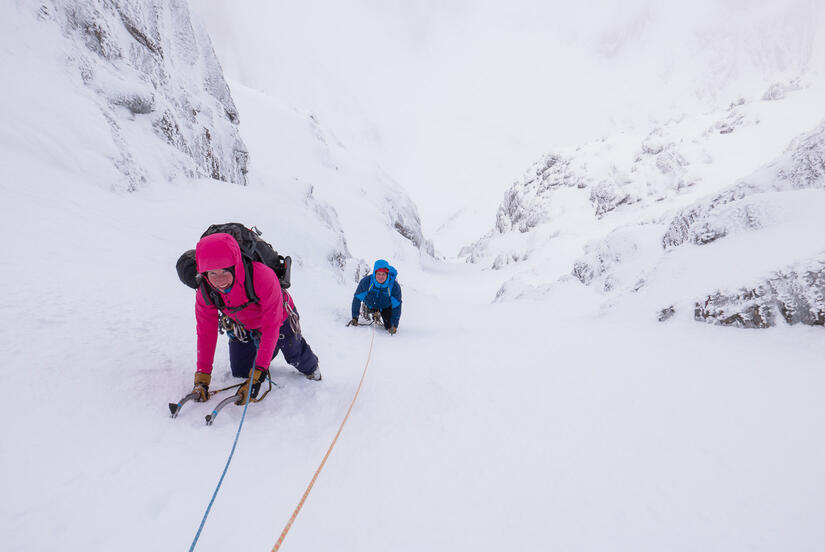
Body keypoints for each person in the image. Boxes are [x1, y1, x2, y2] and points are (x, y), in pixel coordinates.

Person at [190, 233, 320, 405]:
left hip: (279, 319)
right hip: (243, 324)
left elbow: (271, 325)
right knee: (241, 370)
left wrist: (259, 372)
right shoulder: (206, 291)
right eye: (212, 273)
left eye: (224, 271)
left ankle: (312, 368)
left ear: (235, 265)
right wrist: (202, 376)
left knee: (294, 353)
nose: (219, 280)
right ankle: (267, 352)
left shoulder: (263, 277)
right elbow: (206, 332)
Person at [350, 259, 402, 334]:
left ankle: (381, 315)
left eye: (383, 274)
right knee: (368, 309)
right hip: (370, 303)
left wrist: (394, 325)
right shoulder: (366, 282)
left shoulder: (394, 286)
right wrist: (355, 317)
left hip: (385, 306)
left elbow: (397, 306)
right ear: (375, 273)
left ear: (387, 274)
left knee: (388, 327)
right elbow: (357, 298)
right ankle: (367, 309)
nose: (381, 277)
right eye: (378, 274)